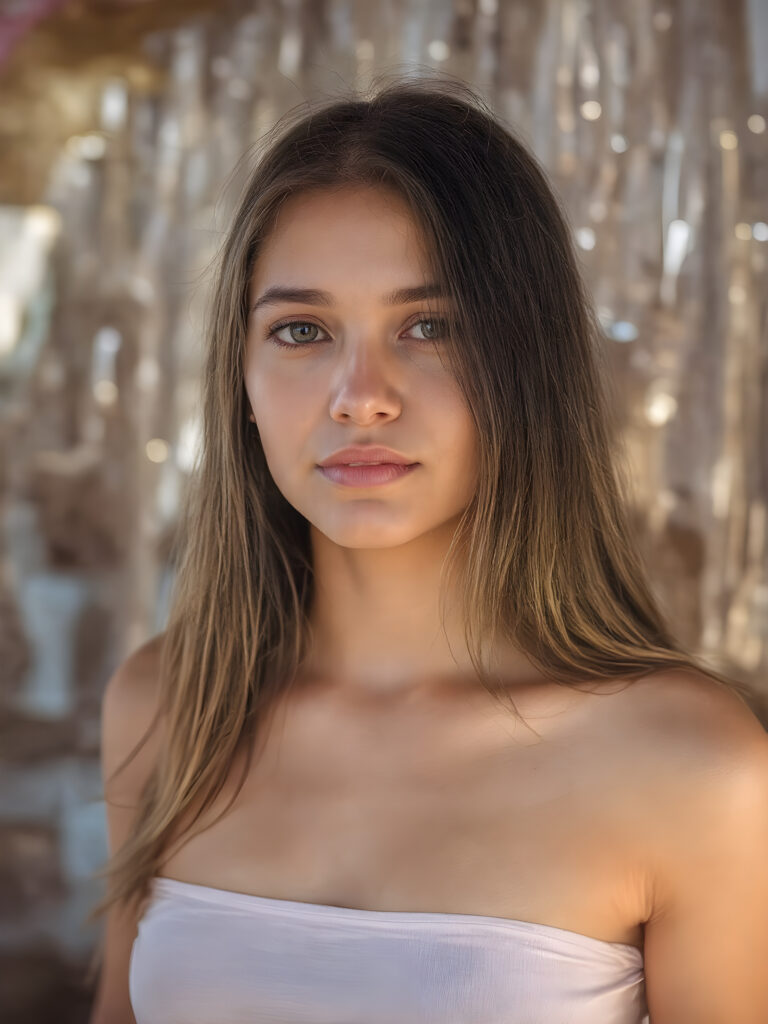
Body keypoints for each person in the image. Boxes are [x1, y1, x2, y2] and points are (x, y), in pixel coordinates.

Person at [86, 74, 768, 1024]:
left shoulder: (696, 765)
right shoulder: (171, 705)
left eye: (430, 326)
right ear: (240, 378)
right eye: (302, 330)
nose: (360, 396)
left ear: (526, 365)